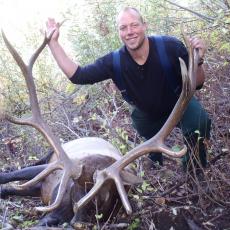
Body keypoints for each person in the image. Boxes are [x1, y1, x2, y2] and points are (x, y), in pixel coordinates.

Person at [46, 7, 211, 171]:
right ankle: (154, 157)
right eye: (123, 28)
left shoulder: (170, 47)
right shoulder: (114, 62)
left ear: (144, 25)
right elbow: (78, 76)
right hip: (147, 115)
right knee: (147, 133)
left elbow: (197, 83)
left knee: (200, 123)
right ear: (119, 32)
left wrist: (198, 61)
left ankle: (193, 169)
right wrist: (53, 43)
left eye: (134, 25)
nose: (129, 31)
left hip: (179, 105)